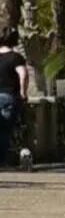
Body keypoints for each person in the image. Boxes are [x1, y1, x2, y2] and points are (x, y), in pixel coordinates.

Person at [0, 27, 27, 168]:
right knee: (4, 130)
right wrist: (23, 92)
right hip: (8, 96)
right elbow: (23, 74)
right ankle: (2, 160)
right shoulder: (16, 57)